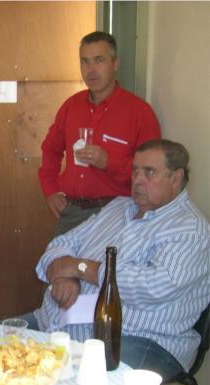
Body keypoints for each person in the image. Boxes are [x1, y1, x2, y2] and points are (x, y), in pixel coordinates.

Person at [25, 139, 209, 380]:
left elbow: (153, 286)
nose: (138, 180)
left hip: (140, 339)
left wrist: (81, 268)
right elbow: (60, 245)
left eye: (149, 172)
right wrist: (65, 277)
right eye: (135, 171)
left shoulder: (189, 229)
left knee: (61, 381)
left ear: (176, 178)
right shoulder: (119, 207)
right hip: (56, 324)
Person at [39, 31, 161, 236]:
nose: (91, 70)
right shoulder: (71, 106)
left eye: (98, 60)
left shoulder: (140, 113)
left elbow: (152, 173)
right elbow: (50, 149)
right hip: (72, 212)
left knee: (109, 260)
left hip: (118, 214)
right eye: (84, 62)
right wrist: (50, 191)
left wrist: (108, 161)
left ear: (115, 63)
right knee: (56, 258)